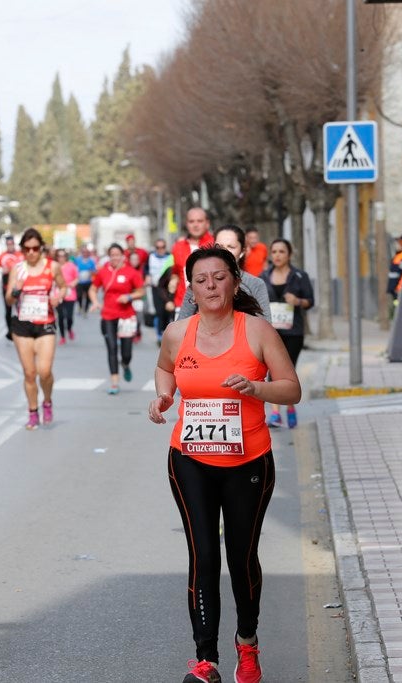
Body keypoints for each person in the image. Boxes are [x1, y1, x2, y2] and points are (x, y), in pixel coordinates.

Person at [148, 246, 301, 683]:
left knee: (241, 554)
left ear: (235, 282)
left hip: (248, 460)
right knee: (203, 554)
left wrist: (255, 388)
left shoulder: (257, 331)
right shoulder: (178, 333)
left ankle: (247, 643)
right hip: (190, 460)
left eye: (219, 277)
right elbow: (164, 368)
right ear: (191, 289)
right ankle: (206, 659)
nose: (211, 286)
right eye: (201, 280)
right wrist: (164, 395)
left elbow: (291, 389)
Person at [5, 229, 67, 429]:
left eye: (35, 248)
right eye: (27, 249)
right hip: (22, 325)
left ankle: (47, 401)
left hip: (45, 323)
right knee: (30, 373)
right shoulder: (18, 269)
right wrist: (17, 290)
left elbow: (63, 286)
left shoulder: (52, 267)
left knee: (45, 371)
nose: (31, 252)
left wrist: (59, 297)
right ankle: (33, 412)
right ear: (22, 250)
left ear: (41, 248)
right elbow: (9, 299)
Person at [260, 238, 313, 429]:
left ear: (289, 255)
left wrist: (297, 301)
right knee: (273, 370)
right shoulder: (264, 277)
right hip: (270, 332)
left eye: (281, 251)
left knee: (287, 371)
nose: (277, 255)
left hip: (293, 332)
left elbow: (310, 301)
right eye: (274, 252)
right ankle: (275, 413)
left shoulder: (299, 276)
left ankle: (290, 407)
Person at [179, 224, 271, 322]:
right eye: (220, 246)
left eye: (231, 247)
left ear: (242, 251)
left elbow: (266, 325)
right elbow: (181, 323)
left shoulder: (255, 283)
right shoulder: (199, 281)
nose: (225, 251)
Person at [89, 243, 145, 394]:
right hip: (108, 315)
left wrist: (128, 296)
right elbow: (93, 289)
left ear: (123, 256)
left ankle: (125, 364)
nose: (114, 257)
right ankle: (114, 382)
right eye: (112, 255)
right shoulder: (103, 272)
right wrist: (95, 302)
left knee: (126, 352)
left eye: (117, 254)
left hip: (127, 315)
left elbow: (141, 291)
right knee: (112, 348)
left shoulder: (131, 272)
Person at [170, 207, 214, 313]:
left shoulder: (216, 244)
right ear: (187, 224)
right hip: (182, 305)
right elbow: (175, 273)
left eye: (199, 221)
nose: (195, 225)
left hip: (210, 305)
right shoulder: (177, 246)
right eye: (191, 221)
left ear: (207, 223)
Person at [0, 235, 23, 340]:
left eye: (11, 244)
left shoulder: (20, 254)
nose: (10, 246)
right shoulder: (2, 256)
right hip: (6, 286)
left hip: (19, 286)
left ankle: (20, 330)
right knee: (8, 309)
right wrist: (2, 270)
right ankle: (10, 331)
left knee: (20, 308)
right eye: (8, 244)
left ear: (14, 243)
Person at [147, 239, 174, 345]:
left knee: (168, 312)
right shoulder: (151, 257)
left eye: (162, 247)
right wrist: (146, 276)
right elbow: (145, 269)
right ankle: (159, 335)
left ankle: (166, 334)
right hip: (155, 288)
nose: (160, 250)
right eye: (158, 247)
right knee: (159, 312)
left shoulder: (170, 257)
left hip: (168, 289)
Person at [55, 248, 78, 345]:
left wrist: (73, 283)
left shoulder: (71, 266)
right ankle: (63, 337)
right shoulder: (54, 266)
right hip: (58, 293)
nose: (61, 258)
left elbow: (77, 278)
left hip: (70, 294)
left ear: (66, 257)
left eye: (63, 256)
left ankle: (69, 328)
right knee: (60, 316)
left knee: (69, 316)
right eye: (59, 256)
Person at [71, 244, 97, 317]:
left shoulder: (91, 261)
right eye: (84, 252)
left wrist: (91, 272)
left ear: (88, 253)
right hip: (79, 281)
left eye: (86, 252)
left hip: (88, 281)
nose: (85, 253)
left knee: (88, 297)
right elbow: (73, 268)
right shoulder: (78, 260)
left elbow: (94, 270)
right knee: (79, 296)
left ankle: (85, 310)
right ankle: (80, 306)